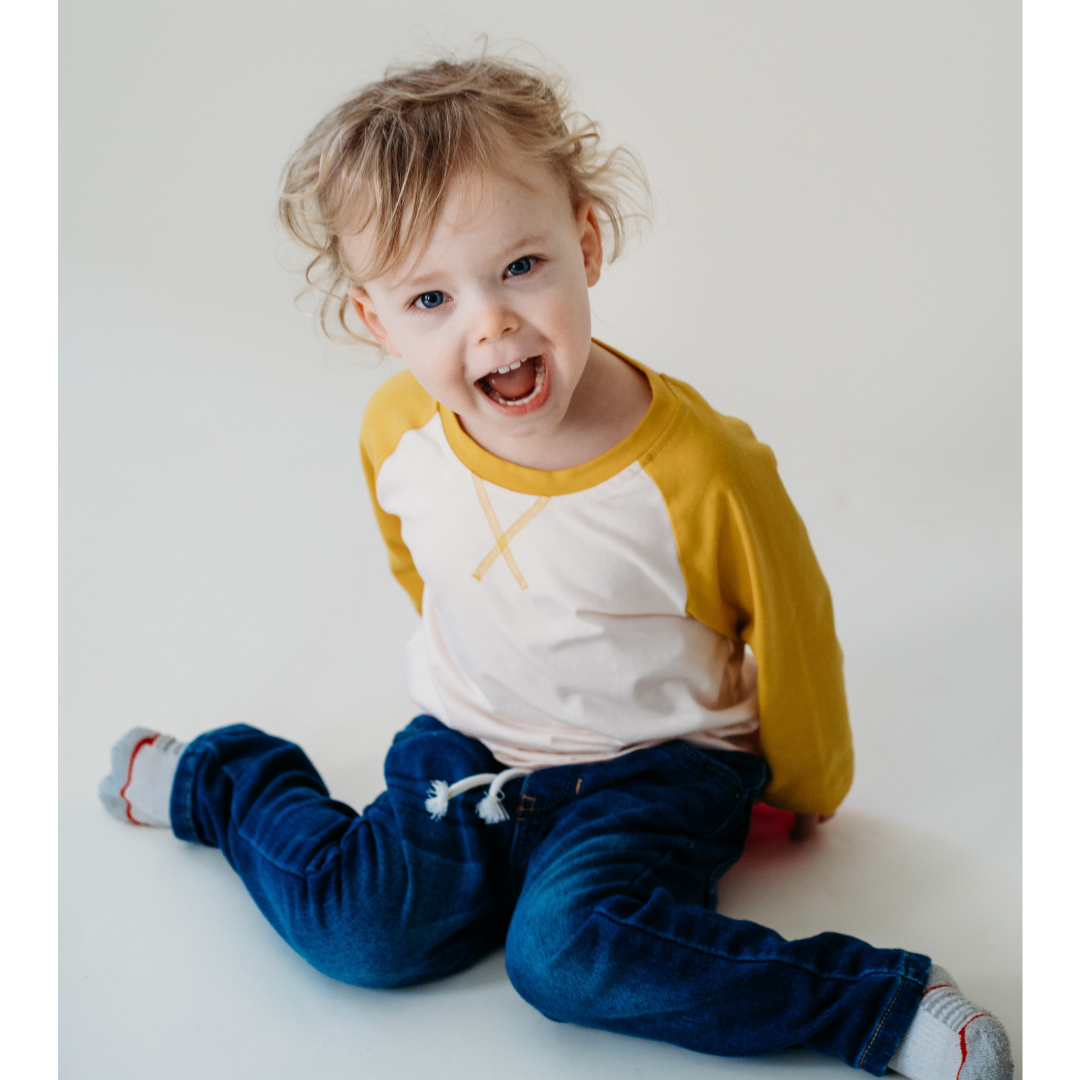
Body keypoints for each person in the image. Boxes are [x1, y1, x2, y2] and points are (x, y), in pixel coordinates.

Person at [99, 54, 1011, 1079]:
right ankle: (221, 779)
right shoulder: (400, 428)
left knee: (564, 954)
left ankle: (878, 1008)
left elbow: (790, 624)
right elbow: (424, 565)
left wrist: (807, 779)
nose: (487, 322)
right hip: (472, 746)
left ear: (586, 241)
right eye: (431, 298)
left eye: (520, 268)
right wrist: (471, 678)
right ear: (375, 320)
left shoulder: (701, 469)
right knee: (361, 933)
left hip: (655, 766)